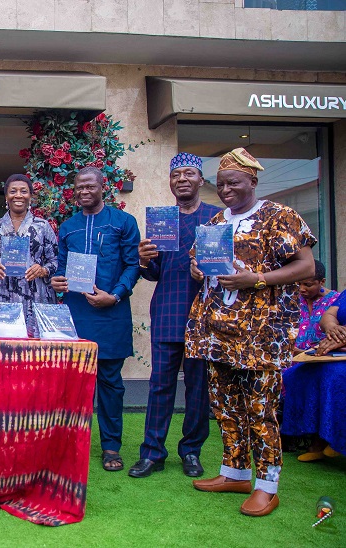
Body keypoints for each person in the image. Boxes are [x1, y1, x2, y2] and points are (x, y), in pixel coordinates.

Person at [186, 147, 315, 517]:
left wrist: (255, 279)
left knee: (261, 409)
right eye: (222, 183)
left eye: (234, 183)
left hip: (260, 332)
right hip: (217, 330)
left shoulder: (279, 216)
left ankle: (267, 485)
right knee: (226, 407)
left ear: (253, 181)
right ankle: (235, 473)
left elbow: (305, 267)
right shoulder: (213, 223)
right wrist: (199, 269)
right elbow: (202, 263)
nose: (226, 189)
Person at [128, 154, 221, 479]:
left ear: (200, 179)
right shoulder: (163, 219)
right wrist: (144, 260)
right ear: (170, 181)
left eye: (189, 173)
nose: (182, 179)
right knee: (160, 385)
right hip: (167, 309)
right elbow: (155, 272)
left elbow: (223, 270)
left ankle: (191, 451)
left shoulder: (216, 218)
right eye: (176, 174)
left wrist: (206, 272)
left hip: (204, 314)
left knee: (198, 387)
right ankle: (152, 453)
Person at [50, 166, 141, 472]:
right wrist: (57, 281)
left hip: (111, 312)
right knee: (74, 382)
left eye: (90, 186)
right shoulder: (68, 226)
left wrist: (114, 295)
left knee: (110, 383)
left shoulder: (123, 222)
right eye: (78, 187)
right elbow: (61, 266)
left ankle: (111, 446)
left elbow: (132, 266)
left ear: (103, 187)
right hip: (76, 316)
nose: (83, 191)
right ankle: (72, 442)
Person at [0, 174, 58, 334]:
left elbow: (55, 261)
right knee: (1, 348)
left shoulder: (42, 226)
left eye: (23, 191)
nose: (18, 195)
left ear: (30, 196)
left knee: (33, 350)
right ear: (6, 196)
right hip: (0, 294)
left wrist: (43, 270)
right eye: (13, 191)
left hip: (34, 294)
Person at [282, 284, 345, 462]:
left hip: (340, 351)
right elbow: (329, 316)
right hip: (337, 348)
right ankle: (315, 438)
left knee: (334, 376)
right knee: (298, 374)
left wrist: (341, 338)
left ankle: (335, 440)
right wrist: (332, 329)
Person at [293, 260, 339, 352]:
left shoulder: (336, 301)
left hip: (320, 361)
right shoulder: (292, 300)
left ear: (322, 282)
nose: (301, 289)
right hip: (290, 362)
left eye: (307, 285)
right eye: (298, 284)